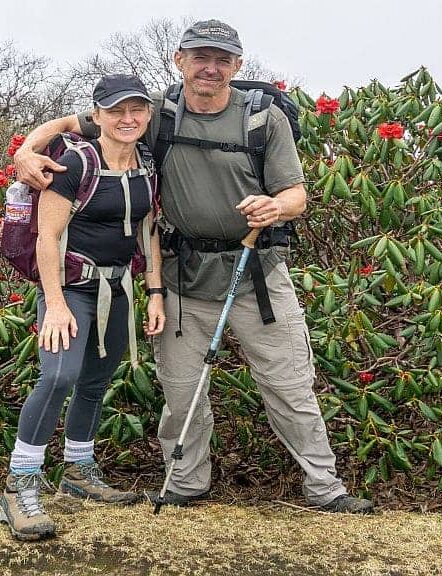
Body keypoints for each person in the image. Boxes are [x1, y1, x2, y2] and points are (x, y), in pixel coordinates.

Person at [14, 20, 372, 514]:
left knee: (289, 387)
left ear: (238, 66)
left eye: (222, 59)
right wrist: (26, 153)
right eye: (200, 57)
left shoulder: (263, 119)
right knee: (182, 393)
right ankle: (186, 483)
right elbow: (67, 125)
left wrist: (278, 207)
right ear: (179, 60)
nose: (211, 67)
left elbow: (297, 193)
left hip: (257, 276)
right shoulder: (151, 113)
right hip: (182, 279)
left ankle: (324, 488)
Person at [0, 74, 165, 541]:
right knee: (58, 375)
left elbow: (148, 230)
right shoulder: (75, 160)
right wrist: (53, 304)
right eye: (116, 111)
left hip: (120, 288)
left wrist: (154, 293)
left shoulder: (147, 162)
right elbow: (47, 237)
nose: (127, 119)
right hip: (70, 288)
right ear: (98, 115)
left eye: (136, 109)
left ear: (148, 113)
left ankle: (77, 472)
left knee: (95, 380)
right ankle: (20, 484)